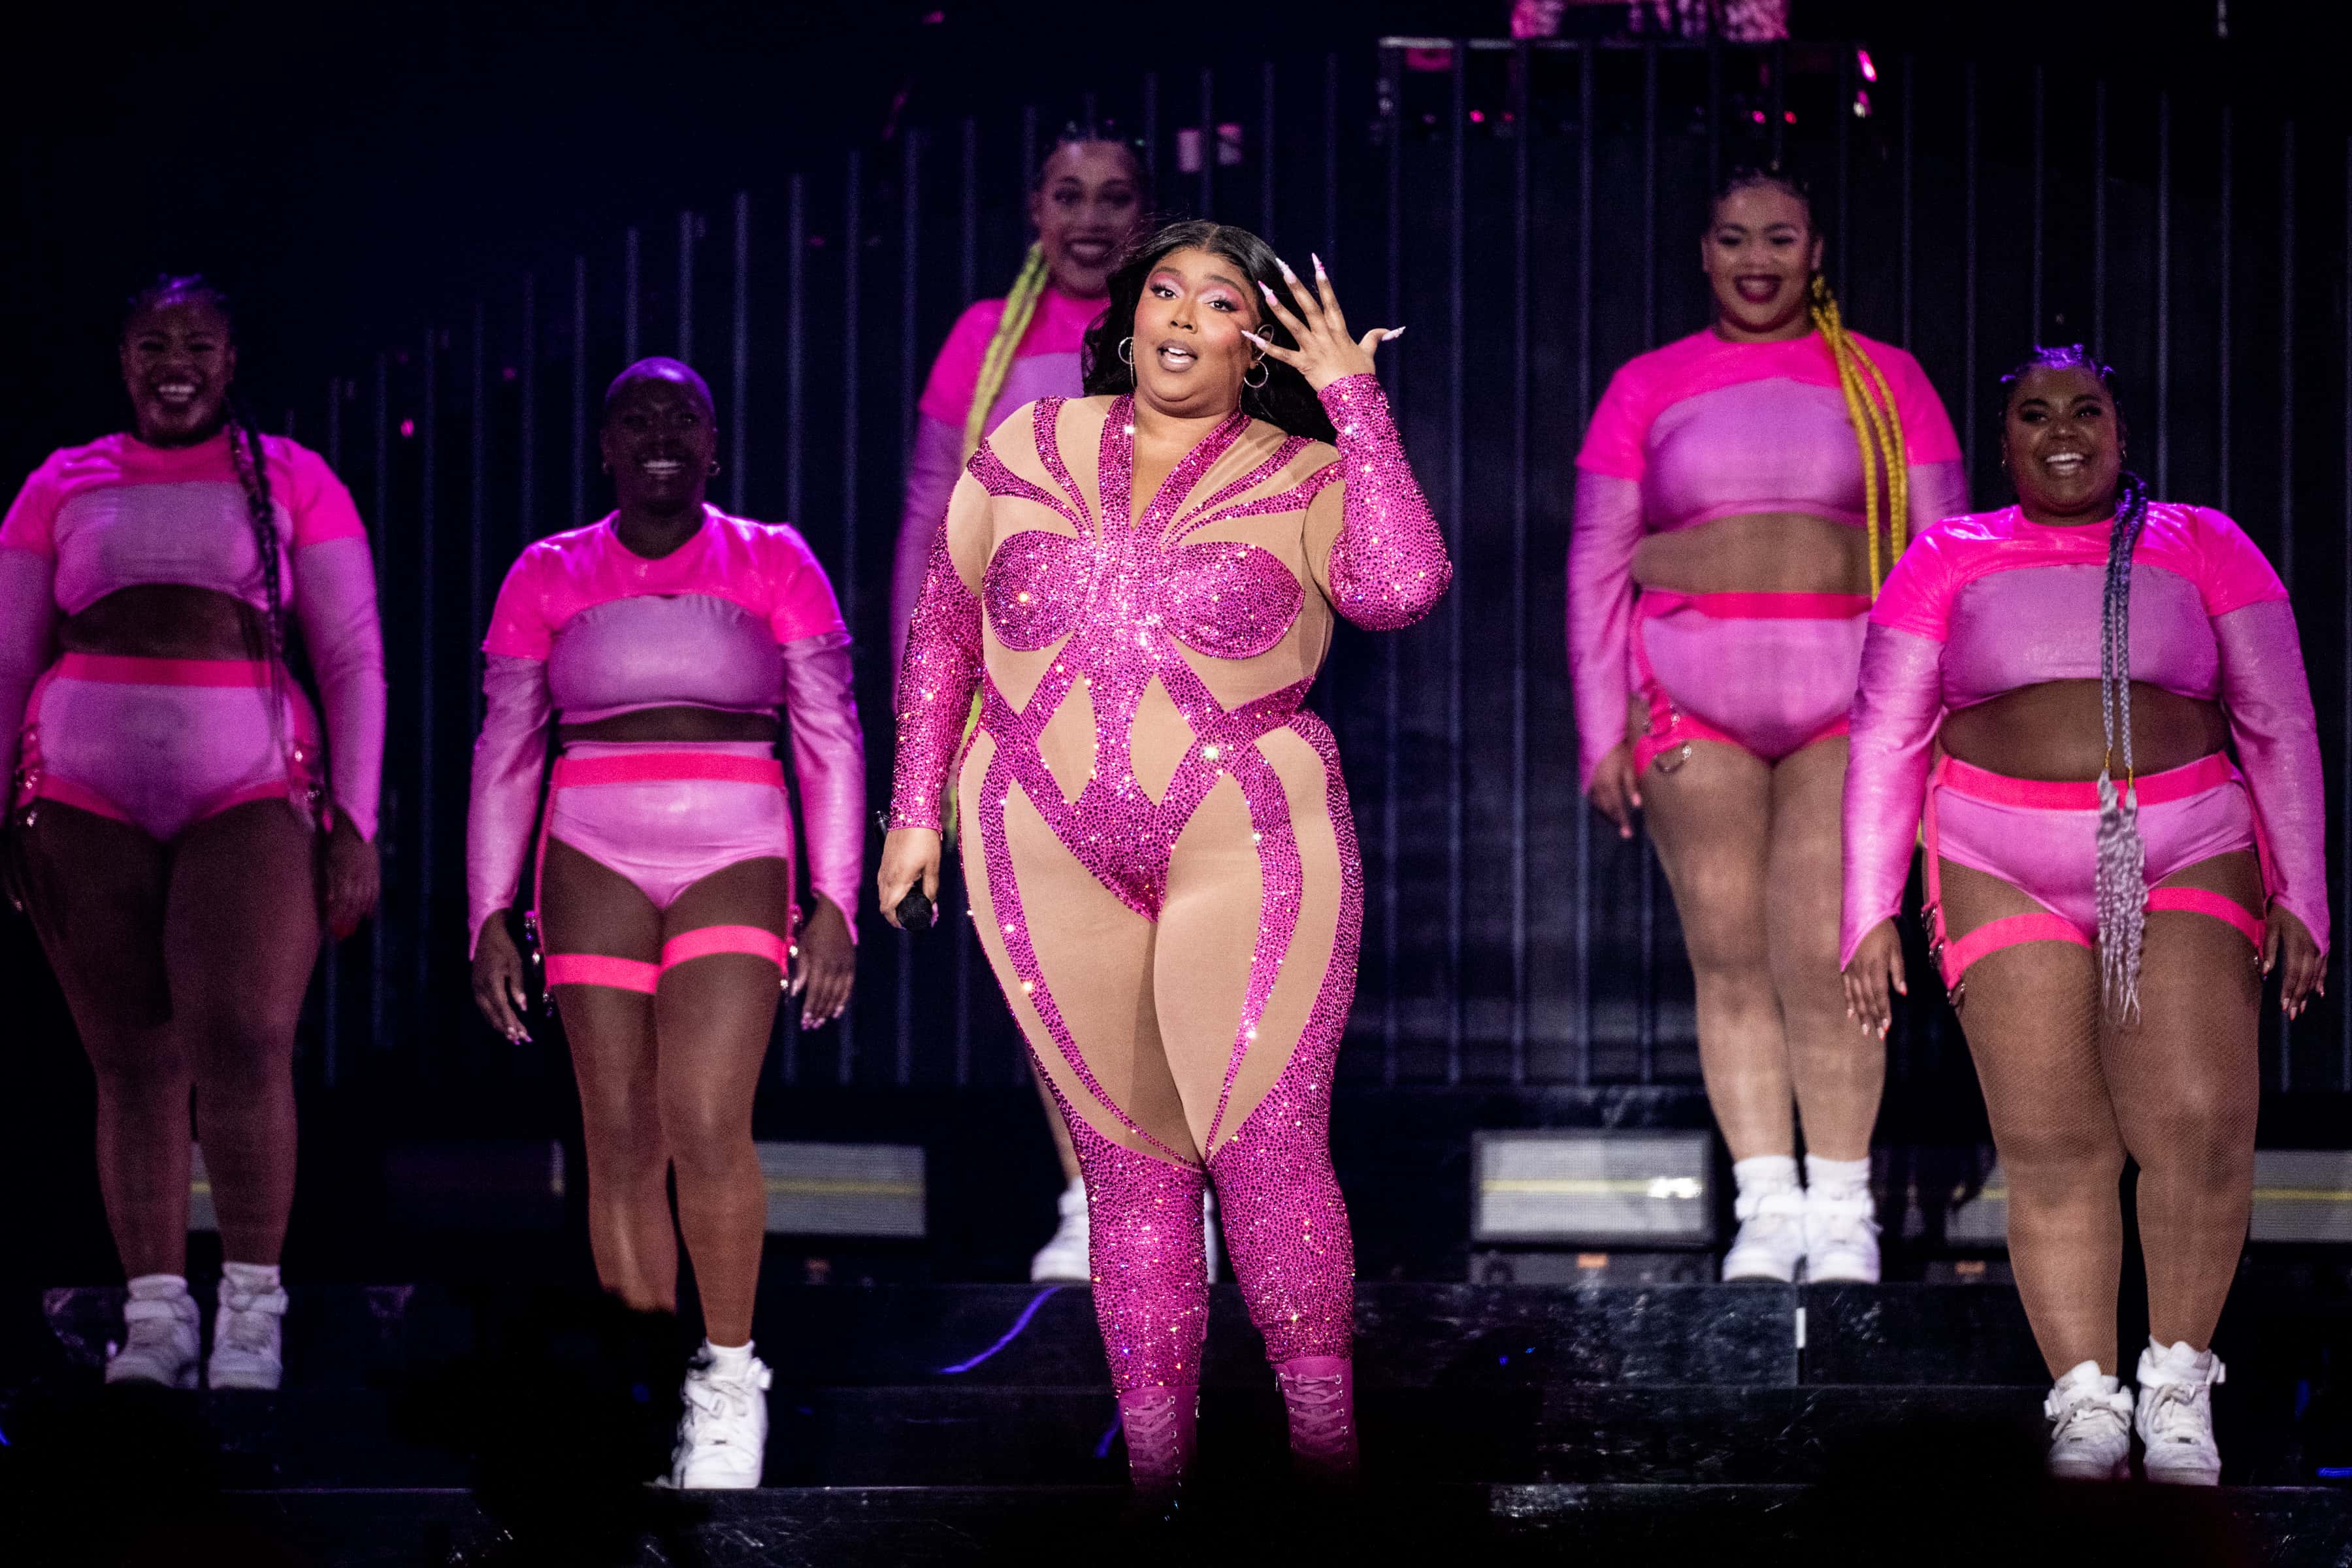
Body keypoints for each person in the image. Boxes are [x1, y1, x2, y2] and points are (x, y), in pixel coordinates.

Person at [878, 220, 1444, 1495]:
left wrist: (1353, 396)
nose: (1184, 313)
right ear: (1127, 319)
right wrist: (915, 806)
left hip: (1243, 828)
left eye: (1221, 299)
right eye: (1164, 291)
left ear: (1254, 346)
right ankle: (1160, 1487)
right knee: (1127, 1168)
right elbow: (942, 630)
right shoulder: (1024, 446)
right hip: (1039, 833)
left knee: (1263, 1143)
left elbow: (1401, 588)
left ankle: (1325, 1461)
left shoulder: (1302, 471)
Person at [1842, 346, 2326, 1484]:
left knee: (2201, 1122)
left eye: (2087, 408)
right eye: (2034, 413)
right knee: (2054, 1144)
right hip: (1997, 855)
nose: (2064, 430)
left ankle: (2176, 1386)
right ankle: (2086, 1405)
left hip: (2189, 844)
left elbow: (2280, 726)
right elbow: (1884, 739)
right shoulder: (1944, 555)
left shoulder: (2207, 543)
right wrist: (1865, 912)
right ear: (2003, 443)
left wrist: (2304, 891)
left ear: (2122, 429)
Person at [466, 357, 863, 1489]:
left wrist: (834, 898)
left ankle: (728, 1381)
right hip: (589, 844)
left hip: (738, 841)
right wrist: (488, 911)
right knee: (621, 1133)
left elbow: (830, 736)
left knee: (702, 1112)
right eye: (634, 418)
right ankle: (639, 1393)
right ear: (603, 448)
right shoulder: (547, 572)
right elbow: (505, 751)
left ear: (714, 442)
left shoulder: (775, 558)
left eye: (682, 416)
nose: (659, 434)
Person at [1569, 169, 1966, 1283]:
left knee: (1826, 948)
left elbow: (1947, 564)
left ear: (1815, 248)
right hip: (1692, 702)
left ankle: (1844, 1206)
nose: (1757, 258)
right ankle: (1768, 1206)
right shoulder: (1649, 385)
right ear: (1703, 253)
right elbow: (1597, 565)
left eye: (1779, 237)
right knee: (1730, 951)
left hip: (1855, 707)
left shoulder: (1890, 382)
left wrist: (1936, 722)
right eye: (1735, 238)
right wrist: (1603, 726)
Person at [0, 275, 384, 1392]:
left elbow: (354, 658)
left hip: (250, 786)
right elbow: (10, 659)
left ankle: (252, 1309)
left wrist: (354, 819)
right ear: (124, 362)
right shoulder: (58, 484)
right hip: (81, 793)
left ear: (230, 361)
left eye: (199, 343)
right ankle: (158, 1317)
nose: (177, 361)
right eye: (154, 343)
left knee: (247, 1044)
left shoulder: (294, 480)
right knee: (131, 1063)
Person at [887, 127, 1163, 1284]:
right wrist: (926, 708)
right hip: (1019, 695)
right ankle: (1094, 1197)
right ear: (1033, 211)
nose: (1090, 218)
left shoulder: (1187, 324)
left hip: (1167, 692)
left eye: (1112, 197)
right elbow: (928, 524)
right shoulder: (978, 345)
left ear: (1144, 214)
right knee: (1050, 964)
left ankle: (1171, 1202)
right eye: (1068, 195)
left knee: (1164, 964)